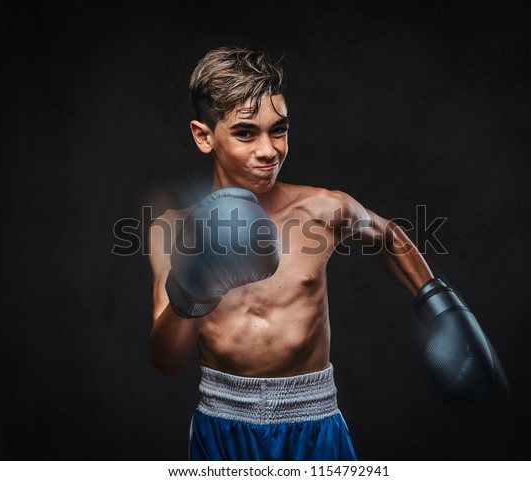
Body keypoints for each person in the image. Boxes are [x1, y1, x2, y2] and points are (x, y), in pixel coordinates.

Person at [147, 46, 499, 461]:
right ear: (204, 136)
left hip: (313, 421)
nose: (268, 150)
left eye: (278, 130)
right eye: (246, 133)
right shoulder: (173, 228)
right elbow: (167, 361)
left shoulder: (322, 210)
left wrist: (440, 305)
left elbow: (390, 235)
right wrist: (197, 287)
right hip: (223, 423)